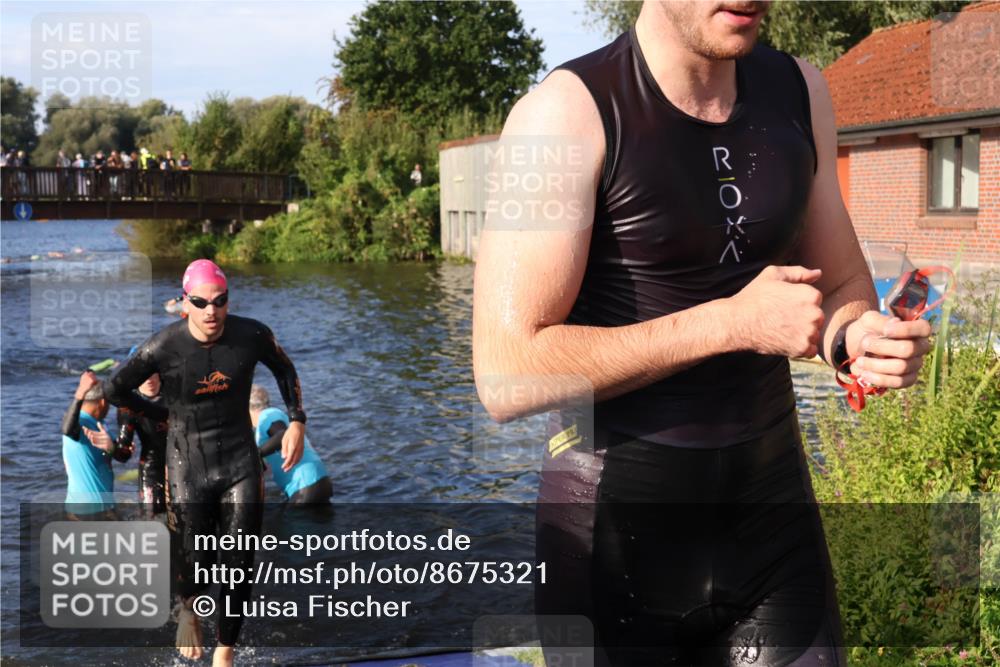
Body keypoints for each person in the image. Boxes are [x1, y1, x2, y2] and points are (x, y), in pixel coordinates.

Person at [472, 2, 933, 665]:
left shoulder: (802, 90)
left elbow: (841, 285)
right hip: (615, 547)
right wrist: (729, 323)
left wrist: (854, 337)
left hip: (774, 525)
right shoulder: (561, 115)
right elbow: (506, 370)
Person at [104, 259, 306, 667]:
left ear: (228, 300)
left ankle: (225, 652)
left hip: (239, 462)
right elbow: (114, 388)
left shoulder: (252, 335)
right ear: (185, 304)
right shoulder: (163, 345)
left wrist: (298, 420)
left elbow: (285, 369)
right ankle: (189, 608)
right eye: (201, 302)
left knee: (240, 560)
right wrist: (160, 415)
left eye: (220, 301)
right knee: (195, 558)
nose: (211, 311)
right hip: (187, 465)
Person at [60, 371, 129, 518]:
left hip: (105, 509)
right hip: (84, 512)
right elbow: (67, 429)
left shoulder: (100, 424)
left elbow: (118, 456)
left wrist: (113, 448)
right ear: (103, 402)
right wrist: (80, 393)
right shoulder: (79, 422)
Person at [249, 384, 331, 504]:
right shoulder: (274, 415)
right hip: (318, 480)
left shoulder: (267, 416)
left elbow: (282, 435)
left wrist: (256, 454)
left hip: (304, 484)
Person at [115, 346, 168, 516]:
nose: (149, 379)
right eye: (142, 375)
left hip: (183, 465)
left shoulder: (175, 394)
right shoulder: (129, 407)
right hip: (151, 470)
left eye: (152, 372)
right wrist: (109, 447)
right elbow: (123, 455)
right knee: (151, 522)